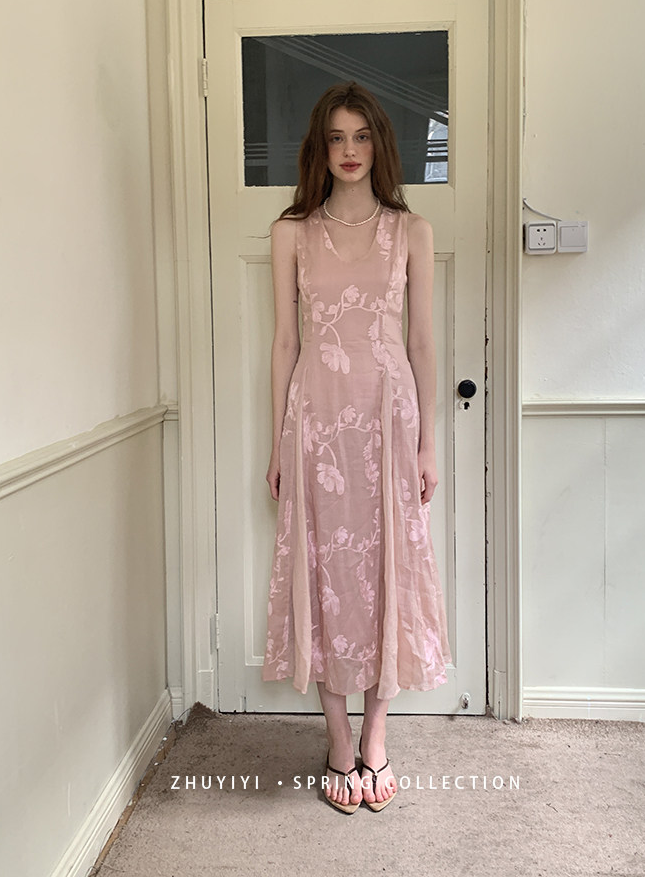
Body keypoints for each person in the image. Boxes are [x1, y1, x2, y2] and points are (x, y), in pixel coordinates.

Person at [262, 81, 452, 813]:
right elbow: (285, 342)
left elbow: (422, 342)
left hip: (388, 421)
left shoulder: (412, 231)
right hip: (316, 421)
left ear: (380, 144)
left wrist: (428, 443)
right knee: (324, 570)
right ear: (320, 146)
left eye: (362, 136)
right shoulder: (291, 233)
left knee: (386, 569)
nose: (349, 150)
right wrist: (277, 442)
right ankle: (337, 736)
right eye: (337, 137)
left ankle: (376, 733)